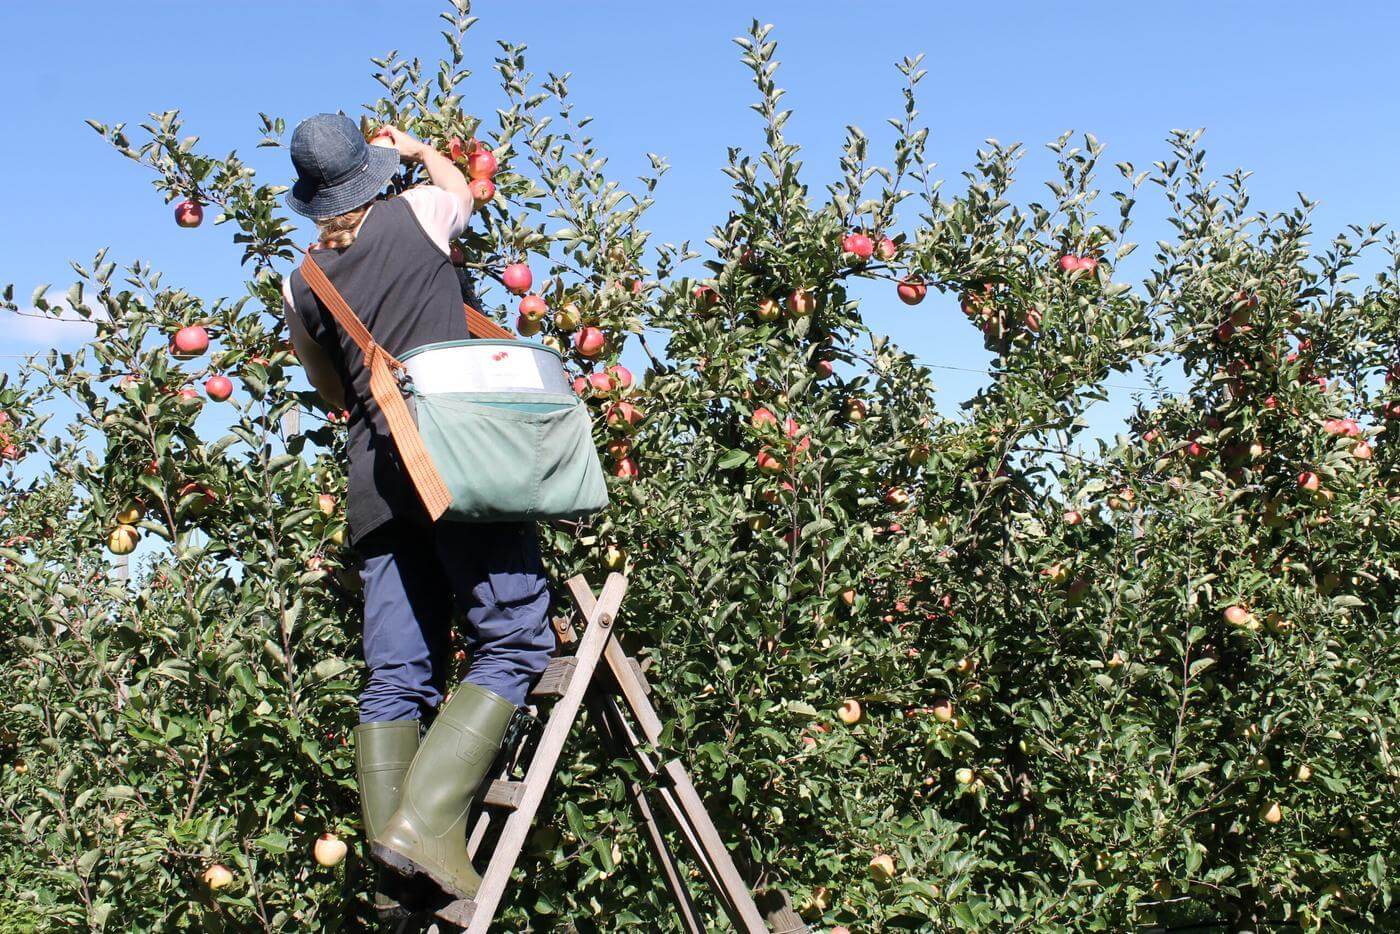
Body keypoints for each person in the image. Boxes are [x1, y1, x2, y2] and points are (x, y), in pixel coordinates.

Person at [280, 112, 555, 912]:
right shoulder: (419, 214)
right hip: (457, 464)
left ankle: (394, 883)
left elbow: (333, 391)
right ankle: (426, 829)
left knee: (396, 675)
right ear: (369, 172)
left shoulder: (301, 282)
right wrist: (415, 150)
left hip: (375, 483)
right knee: (513, 640)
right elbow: (462, 186)